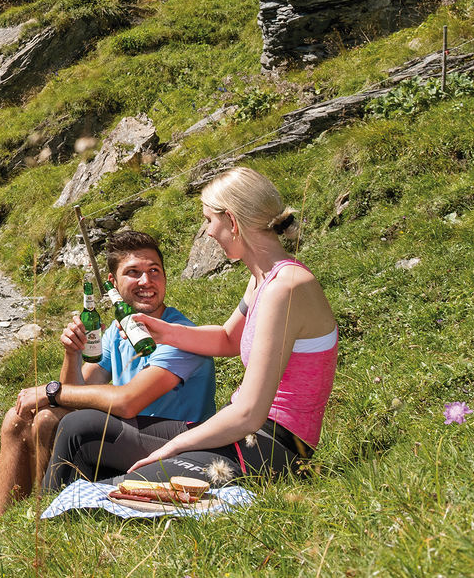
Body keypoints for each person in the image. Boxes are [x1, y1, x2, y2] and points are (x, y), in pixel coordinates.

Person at [41, 166, 338, 492]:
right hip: (244, 434)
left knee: (121, 488)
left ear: (234, 223)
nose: (208, 232)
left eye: (210, 220)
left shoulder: (287, 288)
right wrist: (164, 331)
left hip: (271, 448)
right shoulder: (264, 278)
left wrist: (174, 447)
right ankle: (42, 528)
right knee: (76, 427)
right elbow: (228, 339)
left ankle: (64, 518)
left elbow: (250, 413)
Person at [0, 230, 216, 519]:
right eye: (133, 272)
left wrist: (50, 391)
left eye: (154, 271)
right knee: (16, 419)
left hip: (176, 444)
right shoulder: (115, 334)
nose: (146, 281)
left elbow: (127, 402)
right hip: (129, 434)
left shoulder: (180, 335)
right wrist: (72, 353)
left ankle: (40, 519)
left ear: (164, 277)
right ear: (113, 283)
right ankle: (1, 527)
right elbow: (76, 397)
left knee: (47, 418)